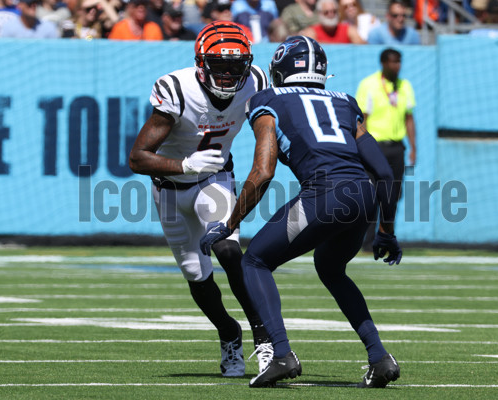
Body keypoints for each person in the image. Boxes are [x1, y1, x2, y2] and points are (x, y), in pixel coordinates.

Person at [200, 36, 402, 388]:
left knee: (254, 261)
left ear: (280, 69)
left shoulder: (267, 100)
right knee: (331, 267)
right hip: (363, 195)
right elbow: (384, 172)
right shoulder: (345, 102)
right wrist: (387, 230)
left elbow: (263, 172)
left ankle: (281, 353)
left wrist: (229, 223)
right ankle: (379, 356)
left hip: (324, 195)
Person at [128, 21, 273, 378]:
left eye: (235, 65)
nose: (227, 74)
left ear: (247, 64)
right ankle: (229, 332)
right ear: (200, 62)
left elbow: (265, 131)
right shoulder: (177, 89)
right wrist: (183, 163)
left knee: (227, 248)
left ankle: (264, 336)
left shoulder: (255, 81)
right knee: (196, 274)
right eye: (219, 65)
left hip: (214, 179)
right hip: (169, 188)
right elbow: (137, 158)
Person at [355, 48, 416, 252]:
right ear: (383, 63)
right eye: (392, 62)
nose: (396, 66)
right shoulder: (369, 84)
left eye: (398, 62)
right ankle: (366, 241)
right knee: (371, 195)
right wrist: (360, 147)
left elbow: (409, 117)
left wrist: (413, 147)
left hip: (397, 148)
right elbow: (362, 119)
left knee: (392, 196)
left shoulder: (404, 85)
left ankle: (387, 237)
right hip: (375, 147)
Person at [299, 0, 365, 43]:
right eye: (326, 12)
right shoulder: (311, 32)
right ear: (320, 13)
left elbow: (363, 47)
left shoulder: (348, 30)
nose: (331, 14)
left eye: (334, 11)